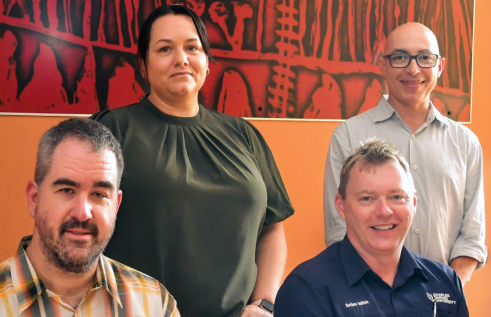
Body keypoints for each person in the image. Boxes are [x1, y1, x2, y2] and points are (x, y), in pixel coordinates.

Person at [91, 5, 294, 317]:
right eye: (164, 49)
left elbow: (272, 229)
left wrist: (264, 303)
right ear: (143, 66)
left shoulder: (243, 134)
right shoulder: (111, 130)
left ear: (207, 63)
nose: (181, 59)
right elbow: (78, 224)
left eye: (192, 48)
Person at [323, 22, 486, 286]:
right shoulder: (349, 135)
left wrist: (446, 292)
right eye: (400, 57)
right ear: (383, 64)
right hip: (370, 299)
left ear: (440, 66)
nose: (413, 69)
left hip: (440, 303)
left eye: (424, 58)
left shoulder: (465, 143)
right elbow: (338, 229)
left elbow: (472, 237)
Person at [0, 118, 179, 317]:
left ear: (116, 206)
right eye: (67, 190)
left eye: (99, 194)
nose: (82, 213)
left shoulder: (154, 305)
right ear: (34, 199)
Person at [276, 140, 469, 316]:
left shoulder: (446, 281)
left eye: (397, 197)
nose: (384, 211)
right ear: (341, 207)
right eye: (367, 198)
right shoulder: (307, 289)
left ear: (414, 203)